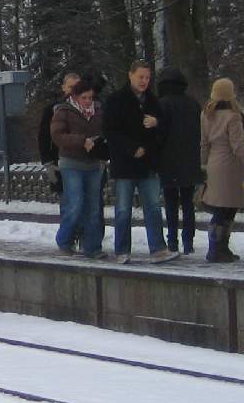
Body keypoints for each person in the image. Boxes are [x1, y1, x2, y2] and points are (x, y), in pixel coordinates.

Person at [102, 60, 178, 264]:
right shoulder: (116, 100)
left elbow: (165, 132)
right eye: (141, 77)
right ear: (131, 75)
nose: (144, 81)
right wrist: (130, 148)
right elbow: (110, 130)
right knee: (123, 208)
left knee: (153, 206)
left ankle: (158, 248)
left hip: (148, 163)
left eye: (147, 77)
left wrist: (157, 123)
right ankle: (122, 250)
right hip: (125, 163)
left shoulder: (154, 101)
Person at [199, 78, 244, 263]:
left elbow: (203, 144)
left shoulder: (206, 114)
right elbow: (238, 147)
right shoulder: (233, 116)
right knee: (227, 210)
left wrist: (204, 164)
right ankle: (219, 249)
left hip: (214, 165)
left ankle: (216, 248)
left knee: (220, 209)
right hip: (230, 167)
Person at [49, 78, 107, 259]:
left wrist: (100, 144)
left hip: (93, 163)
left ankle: (92, 246)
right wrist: (81, 141)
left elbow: (106, 131)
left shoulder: (98, 111)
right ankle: (64, 240)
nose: (88, 101)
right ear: (75, 96)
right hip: (71, 162)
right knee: (74, 204)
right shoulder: (63, 111)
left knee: (94, 207)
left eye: (90, 97)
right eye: (84, 98)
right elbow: (57, 136)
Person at [156, 67, 202, 254]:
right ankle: (188, 241)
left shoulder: (160, 104)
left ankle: (172, 240)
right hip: (190, 160)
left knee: (171, 203)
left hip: (168, 160)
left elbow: (158, 134)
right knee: (188, 203)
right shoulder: (193, 104)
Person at [37, 71, 82, 194]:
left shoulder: (91, 108)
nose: (74, 91)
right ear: (63, 88)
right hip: (61, 163)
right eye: (70, 87)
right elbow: (44, 137)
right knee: (68, 202)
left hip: (87, 163)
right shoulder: (52, 110)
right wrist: (48, 162)